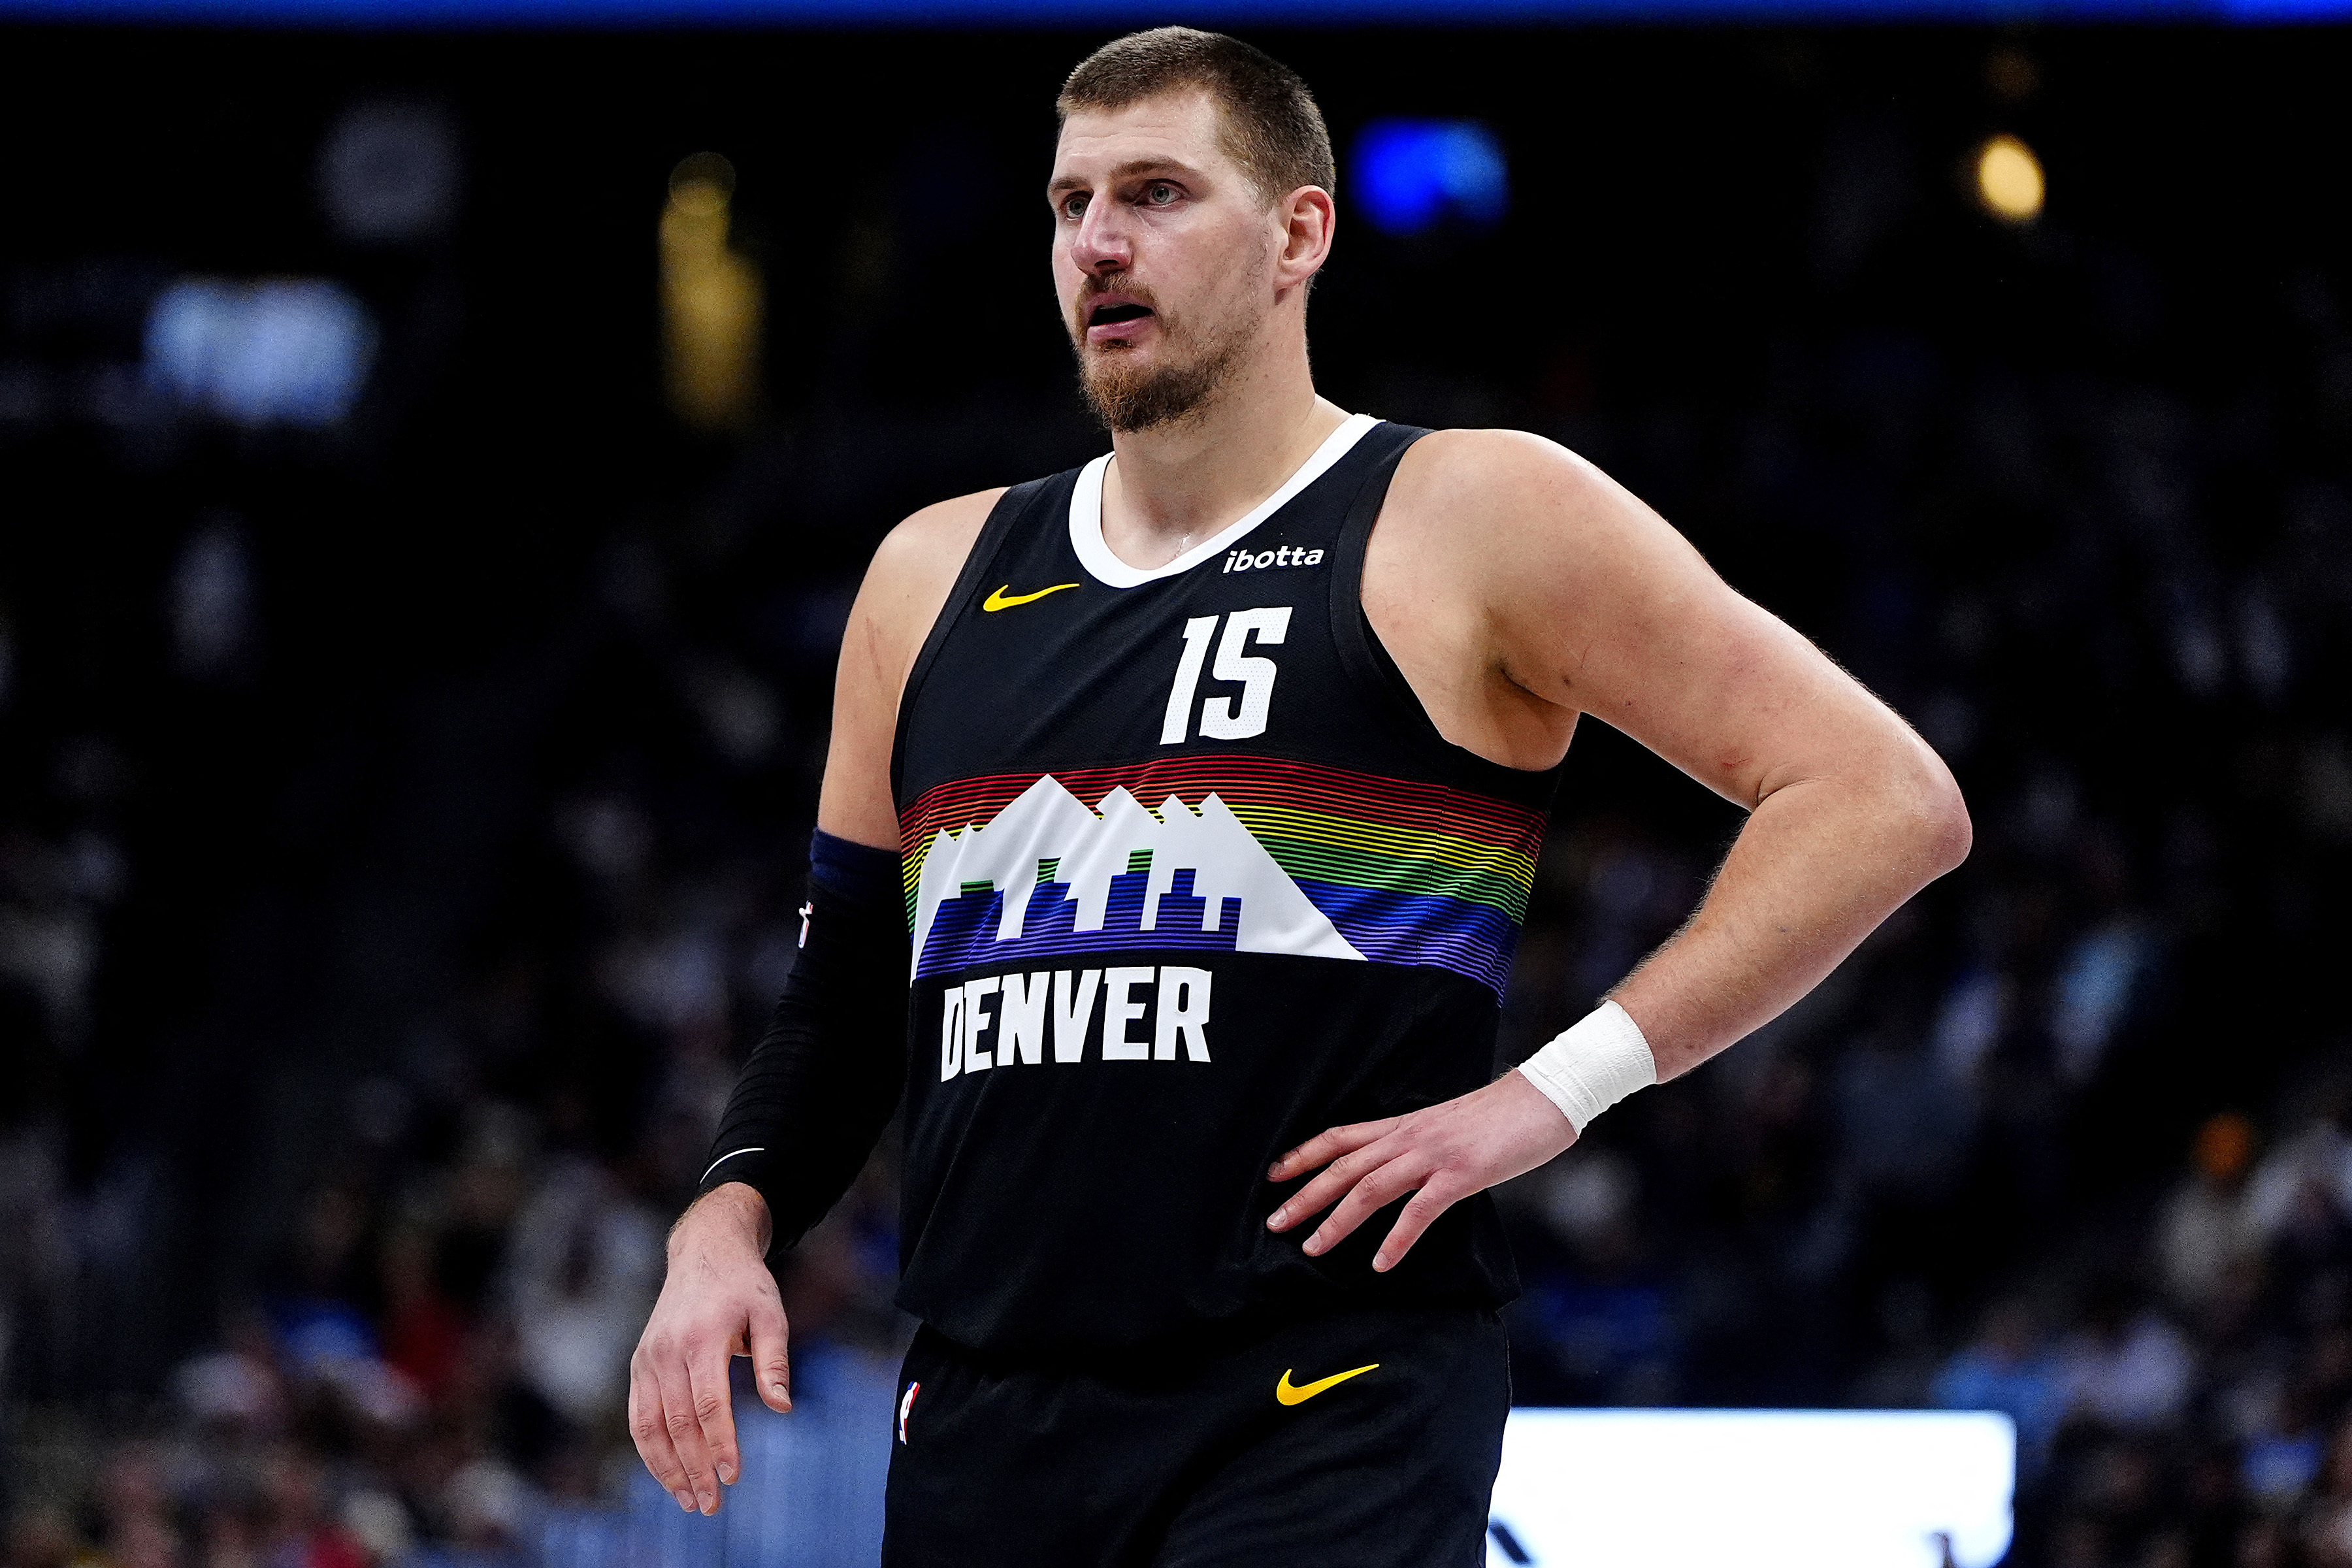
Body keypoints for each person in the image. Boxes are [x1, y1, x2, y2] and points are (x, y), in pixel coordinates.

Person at [629, 26, 1970, 1566]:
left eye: (1156, 192)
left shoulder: (1470, 512)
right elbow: (846, 988)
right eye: (1070, 206)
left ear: (1299, 231)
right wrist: (727, 1218)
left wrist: (1551, 1096)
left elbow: (1880, 795)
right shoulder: (930, 574)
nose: (1101, 245)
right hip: (991, 1411)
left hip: (1330, 1392)